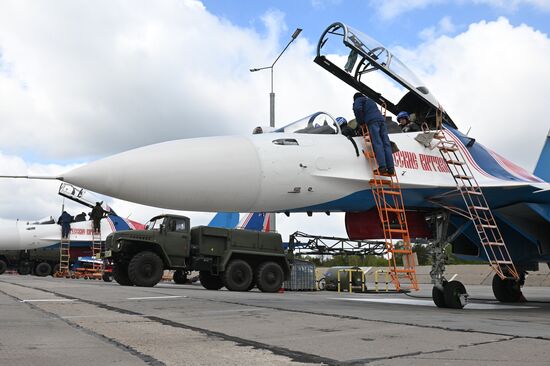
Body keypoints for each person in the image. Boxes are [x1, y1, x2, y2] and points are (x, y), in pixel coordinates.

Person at [352, 93, 395, 175]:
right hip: (382, 121)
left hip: (372, 122)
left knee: (377, 142)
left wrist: (361, 122)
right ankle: (391, 168)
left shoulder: (358, 100)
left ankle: (382, 166)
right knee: (386, 143)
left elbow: (357, 109)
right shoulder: (370, 100)